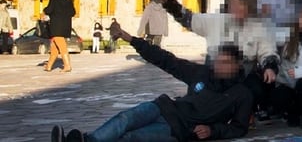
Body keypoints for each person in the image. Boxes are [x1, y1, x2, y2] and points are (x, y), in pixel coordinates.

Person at [51, 24, 253, 142]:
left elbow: (239, 127)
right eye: (218, 61)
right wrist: (129, 38)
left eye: (225, 63)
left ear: (237, 65)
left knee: (131, 138)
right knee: (125, 119)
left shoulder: (242, 94)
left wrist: (212, 131)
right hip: (164, 108)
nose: (219, 66)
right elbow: (165, 59)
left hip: (180, 129)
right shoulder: (201, 73)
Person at [44, 0, 75, 72]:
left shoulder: (54, 0)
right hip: (65, 27)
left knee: (62, 47)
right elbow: (73, 13)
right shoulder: (69, 1)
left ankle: (67, 65)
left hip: (56, 26)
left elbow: (48, 10)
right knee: (55, 48)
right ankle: (49, 66)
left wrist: (45, 10)